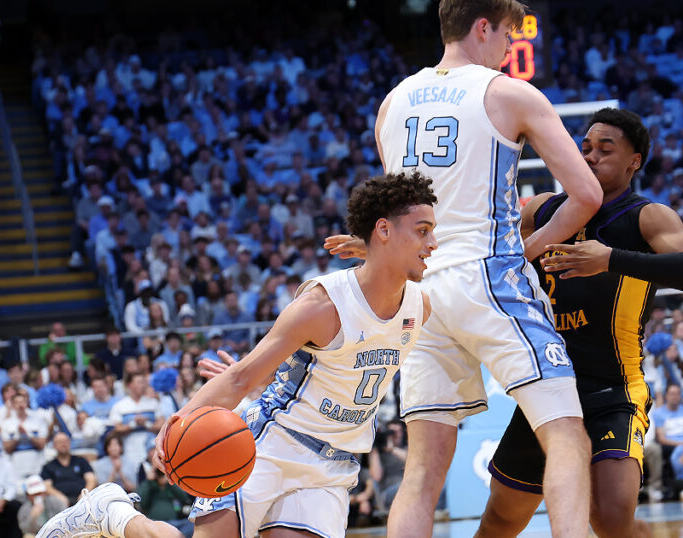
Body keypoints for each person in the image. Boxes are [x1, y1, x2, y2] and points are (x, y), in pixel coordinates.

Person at [329, 1, 607, 535]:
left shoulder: (392, 103)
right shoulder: (508, 93)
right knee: (565, 433)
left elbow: (403, 213)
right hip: (488, 277)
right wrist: (530, 248)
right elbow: (587, 194)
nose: (508, 49)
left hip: (420, 290)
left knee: (422, 472)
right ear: (483, 27)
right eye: (507, 36)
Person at [38, 170, 437, 538]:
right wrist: (175, 425)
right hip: (272, 445)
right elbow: (241, 377)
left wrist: (374, 251)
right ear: (383, 229)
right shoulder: (321, 306)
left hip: (333, 466)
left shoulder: (421, 306)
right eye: (422, 231)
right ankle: (113, 513)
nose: (433, 243)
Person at [474, 106, 683, 537]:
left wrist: (611, 260)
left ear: (633, 162)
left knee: (609, 518)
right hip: (547, 385)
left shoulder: (646, 216)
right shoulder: (543, 210)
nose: (590, 156)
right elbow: (482, 248)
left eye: (605, 149)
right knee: (500, 521)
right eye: (585, 147)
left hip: (613, 387)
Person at [40, 432, 96, 505]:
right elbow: (47, 486)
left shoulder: (81, 461)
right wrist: (59, 496)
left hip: (82, 498)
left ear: (70, 443)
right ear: (54, 445)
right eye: (60, 442)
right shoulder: (48, 466)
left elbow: (91, 480)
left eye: (66, 441)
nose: (63, 444)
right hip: (60, 501)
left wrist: (84, 494)